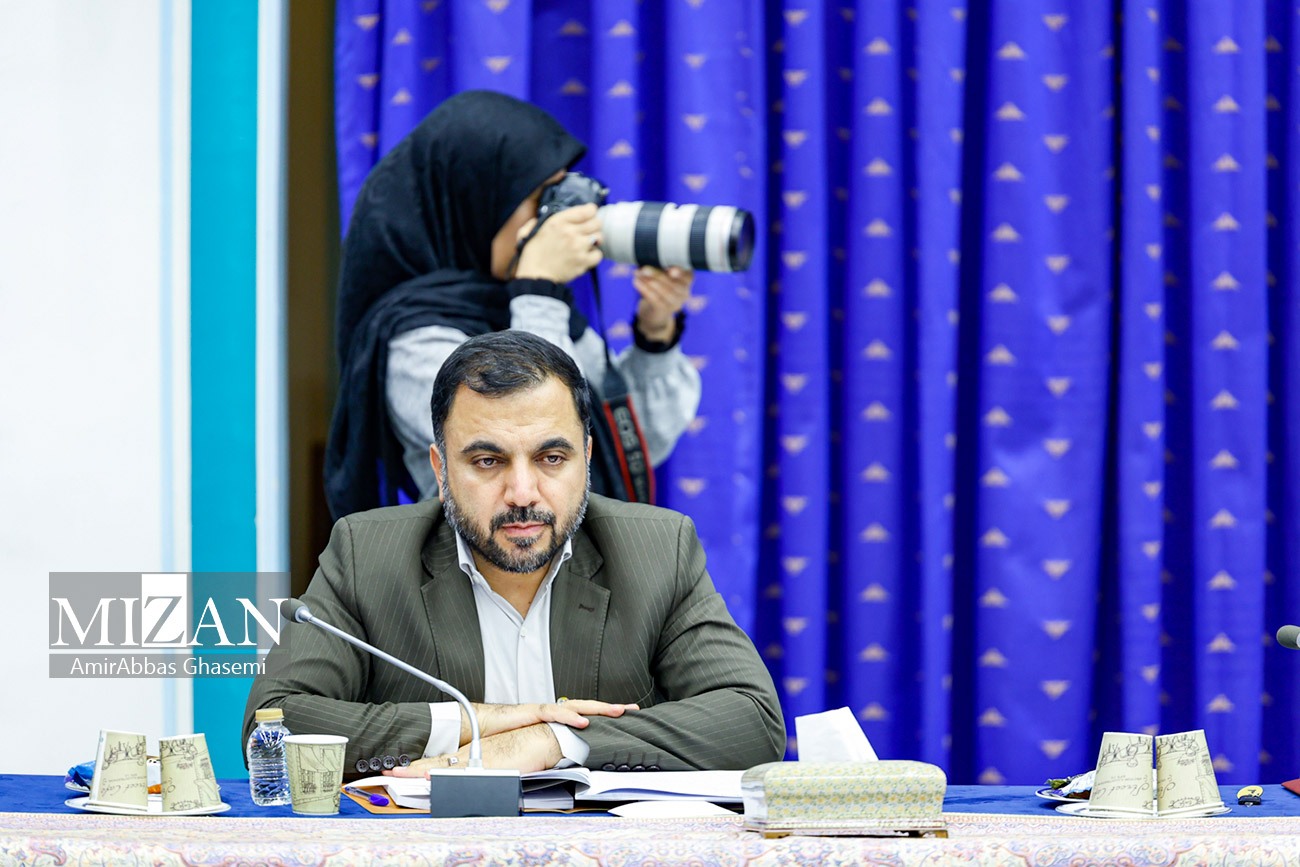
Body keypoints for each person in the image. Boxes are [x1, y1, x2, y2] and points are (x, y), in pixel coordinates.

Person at [246, 331, 783, 773]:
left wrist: (555, 740)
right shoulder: (367, 553)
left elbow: (752, 720)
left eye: (551, 458)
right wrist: (478, 723)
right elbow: (270, 726)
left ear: (586, 459)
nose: (523, 493)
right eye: (487, 461)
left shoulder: (657, 550)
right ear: (440, 470)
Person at [325, 89, 701, 519]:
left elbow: (630, 444)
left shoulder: (531, 306)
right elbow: (526, 436)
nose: (552, 220)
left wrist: (655, 333)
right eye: (540, 200)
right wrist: (538, 288)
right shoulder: (414, 338)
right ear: (477, 203)